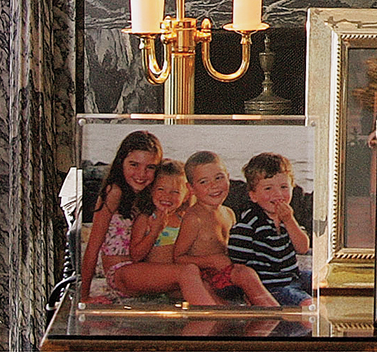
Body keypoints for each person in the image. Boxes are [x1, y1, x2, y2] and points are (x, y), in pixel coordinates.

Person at [173, 151, 279, 307]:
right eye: (203, 182)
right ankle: (272, 311)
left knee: (249, 272)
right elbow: (178, 257)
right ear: (191, 188)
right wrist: (208, 261)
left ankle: (270, 307)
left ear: (228, 176)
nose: (213, 185)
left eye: (219, 177)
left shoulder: (229, 213)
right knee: (244, 275)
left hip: (228, 274)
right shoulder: (194, 218)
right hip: (207, 275)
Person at [78, 130, 162, 303]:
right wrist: (84, 297)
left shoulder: (151, 195)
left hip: (142, 272)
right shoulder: (114, 192)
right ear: (120, 162)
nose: (141, 174)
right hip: (120, 275)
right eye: (134, 165)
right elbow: (93, 247)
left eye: (150, 167)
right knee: (186, 274)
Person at [124, 160, 217, 306]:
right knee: (190, 274)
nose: (167, 196)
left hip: (177, 282)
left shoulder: (185, 220)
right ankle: (212, 314)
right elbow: (135, 255)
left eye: (175, 192)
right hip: (155, 277)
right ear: (152, 190)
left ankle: (225, 317)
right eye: (161, 189)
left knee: (208, 288)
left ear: (186, 195)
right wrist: (155, 231)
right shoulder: (146, 219)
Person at [226, 153, 313, 307]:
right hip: (272, 287)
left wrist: (289, 220)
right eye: (268, 188)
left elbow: (303, 247)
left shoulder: (288, 218)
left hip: (293, 276)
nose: (278, 194)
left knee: (325, 283)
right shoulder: (249, 224)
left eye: (284, 187)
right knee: (306, 304)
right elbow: (237, 262)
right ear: (253, 196)